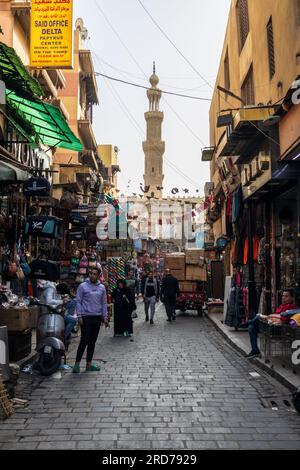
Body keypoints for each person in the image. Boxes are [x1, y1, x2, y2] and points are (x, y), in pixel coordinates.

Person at [72, 266, 108, 373]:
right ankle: (77, 364)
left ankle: (88, 364)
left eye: (95, 274)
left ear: (98, 276)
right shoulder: (82, 286)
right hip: (86, 317)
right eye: (91, 273)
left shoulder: (102, 288)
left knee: (92, 341)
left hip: (96, 317)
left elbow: (104, 303)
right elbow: (78, 301)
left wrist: (105, 318)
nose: (92, 275)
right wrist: (79, 316)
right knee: (84, 340)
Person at [244, 289, 297, 358]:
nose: (283, 298)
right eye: (283, 296)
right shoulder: (281, 306)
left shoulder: (291, 308)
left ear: (292, 298)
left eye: (286, 296)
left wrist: (269, 317)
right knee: (251, 327)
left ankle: (248, 322)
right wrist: (269, 317)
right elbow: (276, 316)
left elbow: (281, 320)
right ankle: (255, 350)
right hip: (271, 326)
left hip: (279, 329)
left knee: (257, 318)